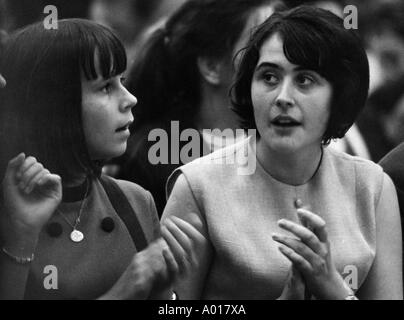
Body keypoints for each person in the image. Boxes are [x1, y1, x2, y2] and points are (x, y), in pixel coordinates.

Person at [161, 6, 403, 299]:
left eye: (304, 80)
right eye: (269, 77)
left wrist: (334, 289)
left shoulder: (373, 186)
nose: (283, 97)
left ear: (340, 94)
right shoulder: (198, 186)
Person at [0, 19, 195, 300]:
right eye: (105, 87)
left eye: (122, 82)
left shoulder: (135, 200)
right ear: (55, 107)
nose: (130, 99)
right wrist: (21, 235)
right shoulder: (9, 213)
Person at [116, 0, 286, 216]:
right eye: (259, 46)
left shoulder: (290, 138)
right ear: (212, 66)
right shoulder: (156, 156)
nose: (276, 59)